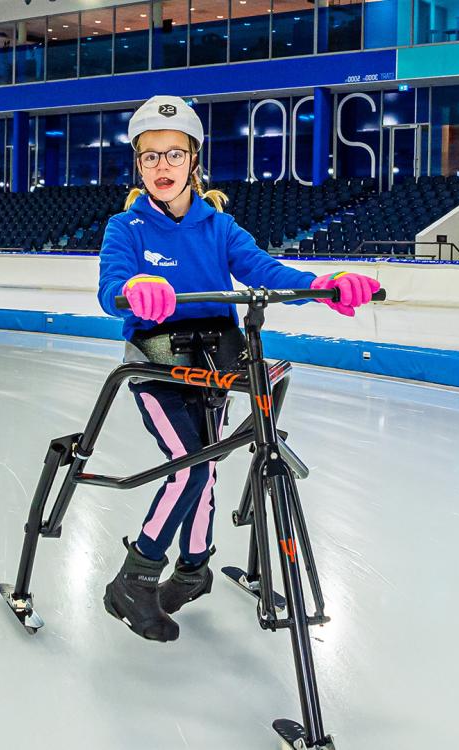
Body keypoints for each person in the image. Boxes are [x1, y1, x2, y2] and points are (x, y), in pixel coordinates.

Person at [97, 95, 380, 642]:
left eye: (173, 155)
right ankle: (135, 578)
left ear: (193, 161)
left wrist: (324, 288)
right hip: (157, 365)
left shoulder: (219, 227)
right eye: (150, 156)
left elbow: (268, 272)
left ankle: (194, 566)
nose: (161, 167)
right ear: (137, 163)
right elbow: (112, 288)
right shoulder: (125, 228)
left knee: (208, 465)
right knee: (190, 465)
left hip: (215, 361)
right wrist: (136, 290)